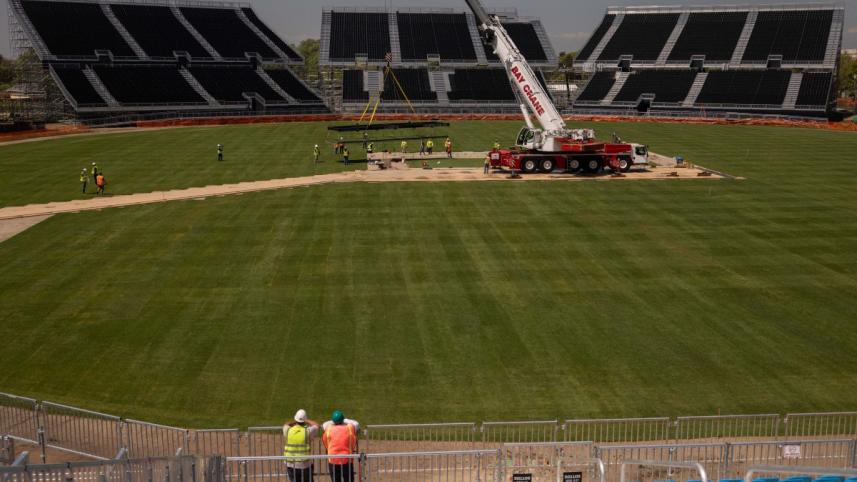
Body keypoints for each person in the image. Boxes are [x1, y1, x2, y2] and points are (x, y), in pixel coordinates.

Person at [283, 409, 320, 482]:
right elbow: (317, 425)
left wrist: (296, 421)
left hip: (290, 463)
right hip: (304, 464)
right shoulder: (308, 431)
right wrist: (306, 420)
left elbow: (286, 424)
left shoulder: (287, 430)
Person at [322, 411, 359, 482]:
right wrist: (345, 420)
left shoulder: (329, 428)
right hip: (347, 460)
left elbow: (324, 425)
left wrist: (334, 420)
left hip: (333, 460)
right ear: (343, 420)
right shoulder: (349, 428)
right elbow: (356, 423)